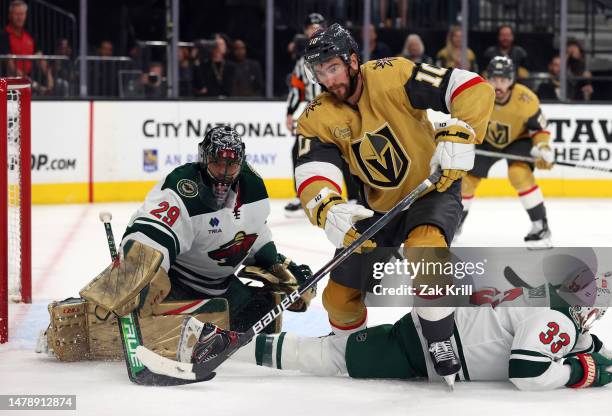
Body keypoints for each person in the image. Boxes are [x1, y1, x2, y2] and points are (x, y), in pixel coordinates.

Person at [292, 23, 494, 385]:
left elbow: (468, 86)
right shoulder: (316, 116)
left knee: (425, 252)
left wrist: (463, 128)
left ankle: (439, 339)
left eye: (332, 68)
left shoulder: (392, 74)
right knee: (338, 297)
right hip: (378, 209)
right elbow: (313, 169)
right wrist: (326, 206)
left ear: (353, 60)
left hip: (431, 189)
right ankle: (349, 346)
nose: (327, 79)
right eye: (320, 72)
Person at [39, 126, 315, 362]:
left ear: (240, 164)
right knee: (118, 306)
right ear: (203, 158)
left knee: (263, 313)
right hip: (175, 283)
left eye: (231, 165)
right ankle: (71, 321)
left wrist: (280, 268)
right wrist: (145, 273)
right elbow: (150, 233)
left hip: (219, 287)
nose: (224, 172)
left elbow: (256, 234)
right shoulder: (182, 187)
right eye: (217, 162)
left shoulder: (254, 190)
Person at [186, 270, 612, 391]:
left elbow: (585, 343)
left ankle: (227, 343)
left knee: (328, 350)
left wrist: (590, 351)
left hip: (433, 331)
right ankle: (223, 345)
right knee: (326, 357)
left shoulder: (546, 302)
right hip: (423, 350)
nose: (590, 318)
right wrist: (582, 372)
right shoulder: (555, 319)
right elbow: (528, 371)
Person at [459, 56, 554, 248]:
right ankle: (454, 224)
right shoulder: (476, 95)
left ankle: (540, 227)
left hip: (517, 139)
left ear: (512, 80)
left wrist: (543, 146)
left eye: (503, 80)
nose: (498, 85)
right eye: (494, 79)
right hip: (485, 140)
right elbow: (462, 123)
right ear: (487, 78)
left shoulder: (526, 99)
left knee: (519, 174)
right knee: (466, 182)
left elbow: (539, 129)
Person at [284, 14, 360, 218]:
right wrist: (290, 112)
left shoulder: (340, 51)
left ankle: (354, 195)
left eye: (317, 26)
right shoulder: (303, 62)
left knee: (346, 148)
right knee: (298, 151)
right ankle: (302, 196)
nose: (313, 30)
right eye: (310, 27)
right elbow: (296, 88)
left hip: (340, 107)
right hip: (317, 114)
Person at [3, 0, 35, 77]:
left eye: (22, 14)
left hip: (28, 79)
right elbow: (9, 63)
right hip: (7, 81)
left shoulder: (30, 35)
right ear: (10, 15)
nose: (19, 17)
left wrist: (49, 76)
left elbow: (40, 57)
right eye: (16, 14)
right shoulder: (3, 35)